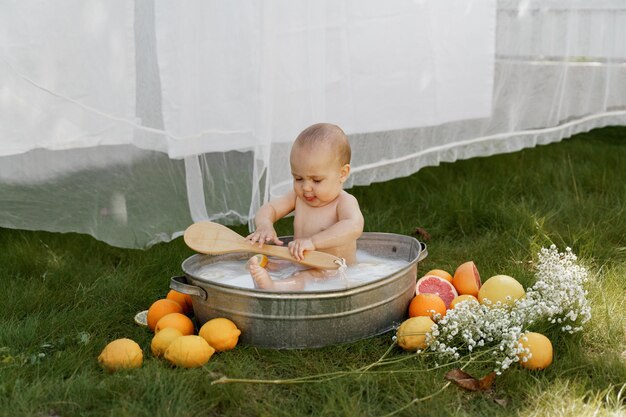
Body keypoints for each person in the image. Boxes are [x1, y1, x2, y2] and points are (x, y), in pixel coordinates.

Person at [246, 123, 364, 290]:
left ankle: (273, 286)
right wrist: (265, 224)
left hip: (333, 271)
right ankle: (259, 277)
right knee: (271, 263)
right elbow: (270, 209)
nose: (306, 187)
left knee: (303, 278)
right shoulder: (298, 198)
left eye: (316, 180)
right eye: (298, 178)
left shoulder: (343, 202)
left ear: (342, 173)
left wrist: (314, 242)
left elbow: (353, 226)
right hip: (300, 261)